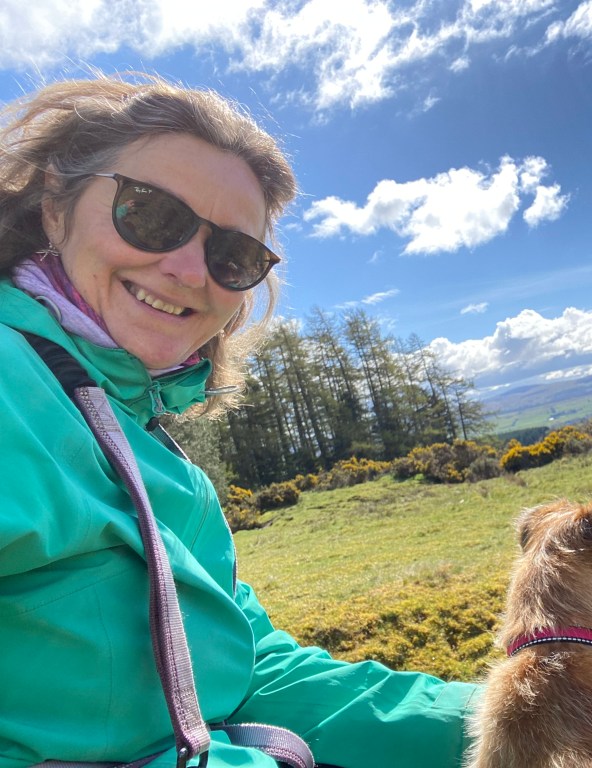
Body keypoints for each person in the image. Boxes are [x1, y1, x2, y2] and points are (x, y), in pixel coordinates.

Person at [0, 74, 478, 768]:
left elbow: (247, 670)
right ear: (53, 205)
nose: (192, 270)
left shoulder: (165, 464)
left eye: (233, 257)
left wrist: (519, 715)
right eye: (152, 213)